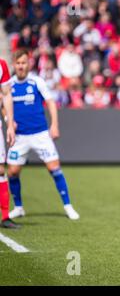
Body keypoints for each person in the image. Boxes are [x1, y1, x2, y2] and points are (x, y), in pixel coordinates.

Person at [7, 49, 80, 220]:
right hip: (19, 137)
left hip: (40, 134)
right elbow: (4, 105)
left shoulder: (36, 81)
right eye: (18, 63)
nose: (21, 66)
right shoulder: (9, 85)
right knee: (13, 172)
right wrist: (8, 120)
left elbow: (51, 102)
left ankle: (68, 206)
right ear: (14, 65)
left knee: (54, 168)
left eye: (24, 63)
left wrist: (54, 125)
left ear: (28, 64)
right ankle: (18, 207)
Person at [0, 58, 18, 228]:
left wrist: (10, 124)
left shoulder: (1, 64)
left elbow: (6, 94)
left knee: (0, 169)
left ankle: (5, 217)